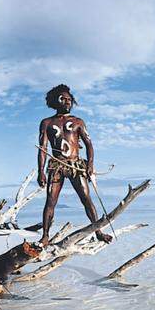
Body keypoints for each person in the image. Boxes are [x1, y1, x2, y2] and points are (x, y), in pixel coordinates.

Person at [37, 84, 113, 246]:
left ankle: (98, 231)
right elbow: (43, 149)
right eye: (63, 99)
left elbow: (89, 144)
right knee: (50, 201)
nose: (67, 102)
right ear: (54, 101)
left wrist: (90, 164)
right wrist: (41, 172)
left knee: (86, 199)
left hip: (76, 165)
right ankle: (45, 236)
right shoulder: (47, 123)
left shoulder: (78, 122)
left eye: (69, 100)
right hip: (56, 165)